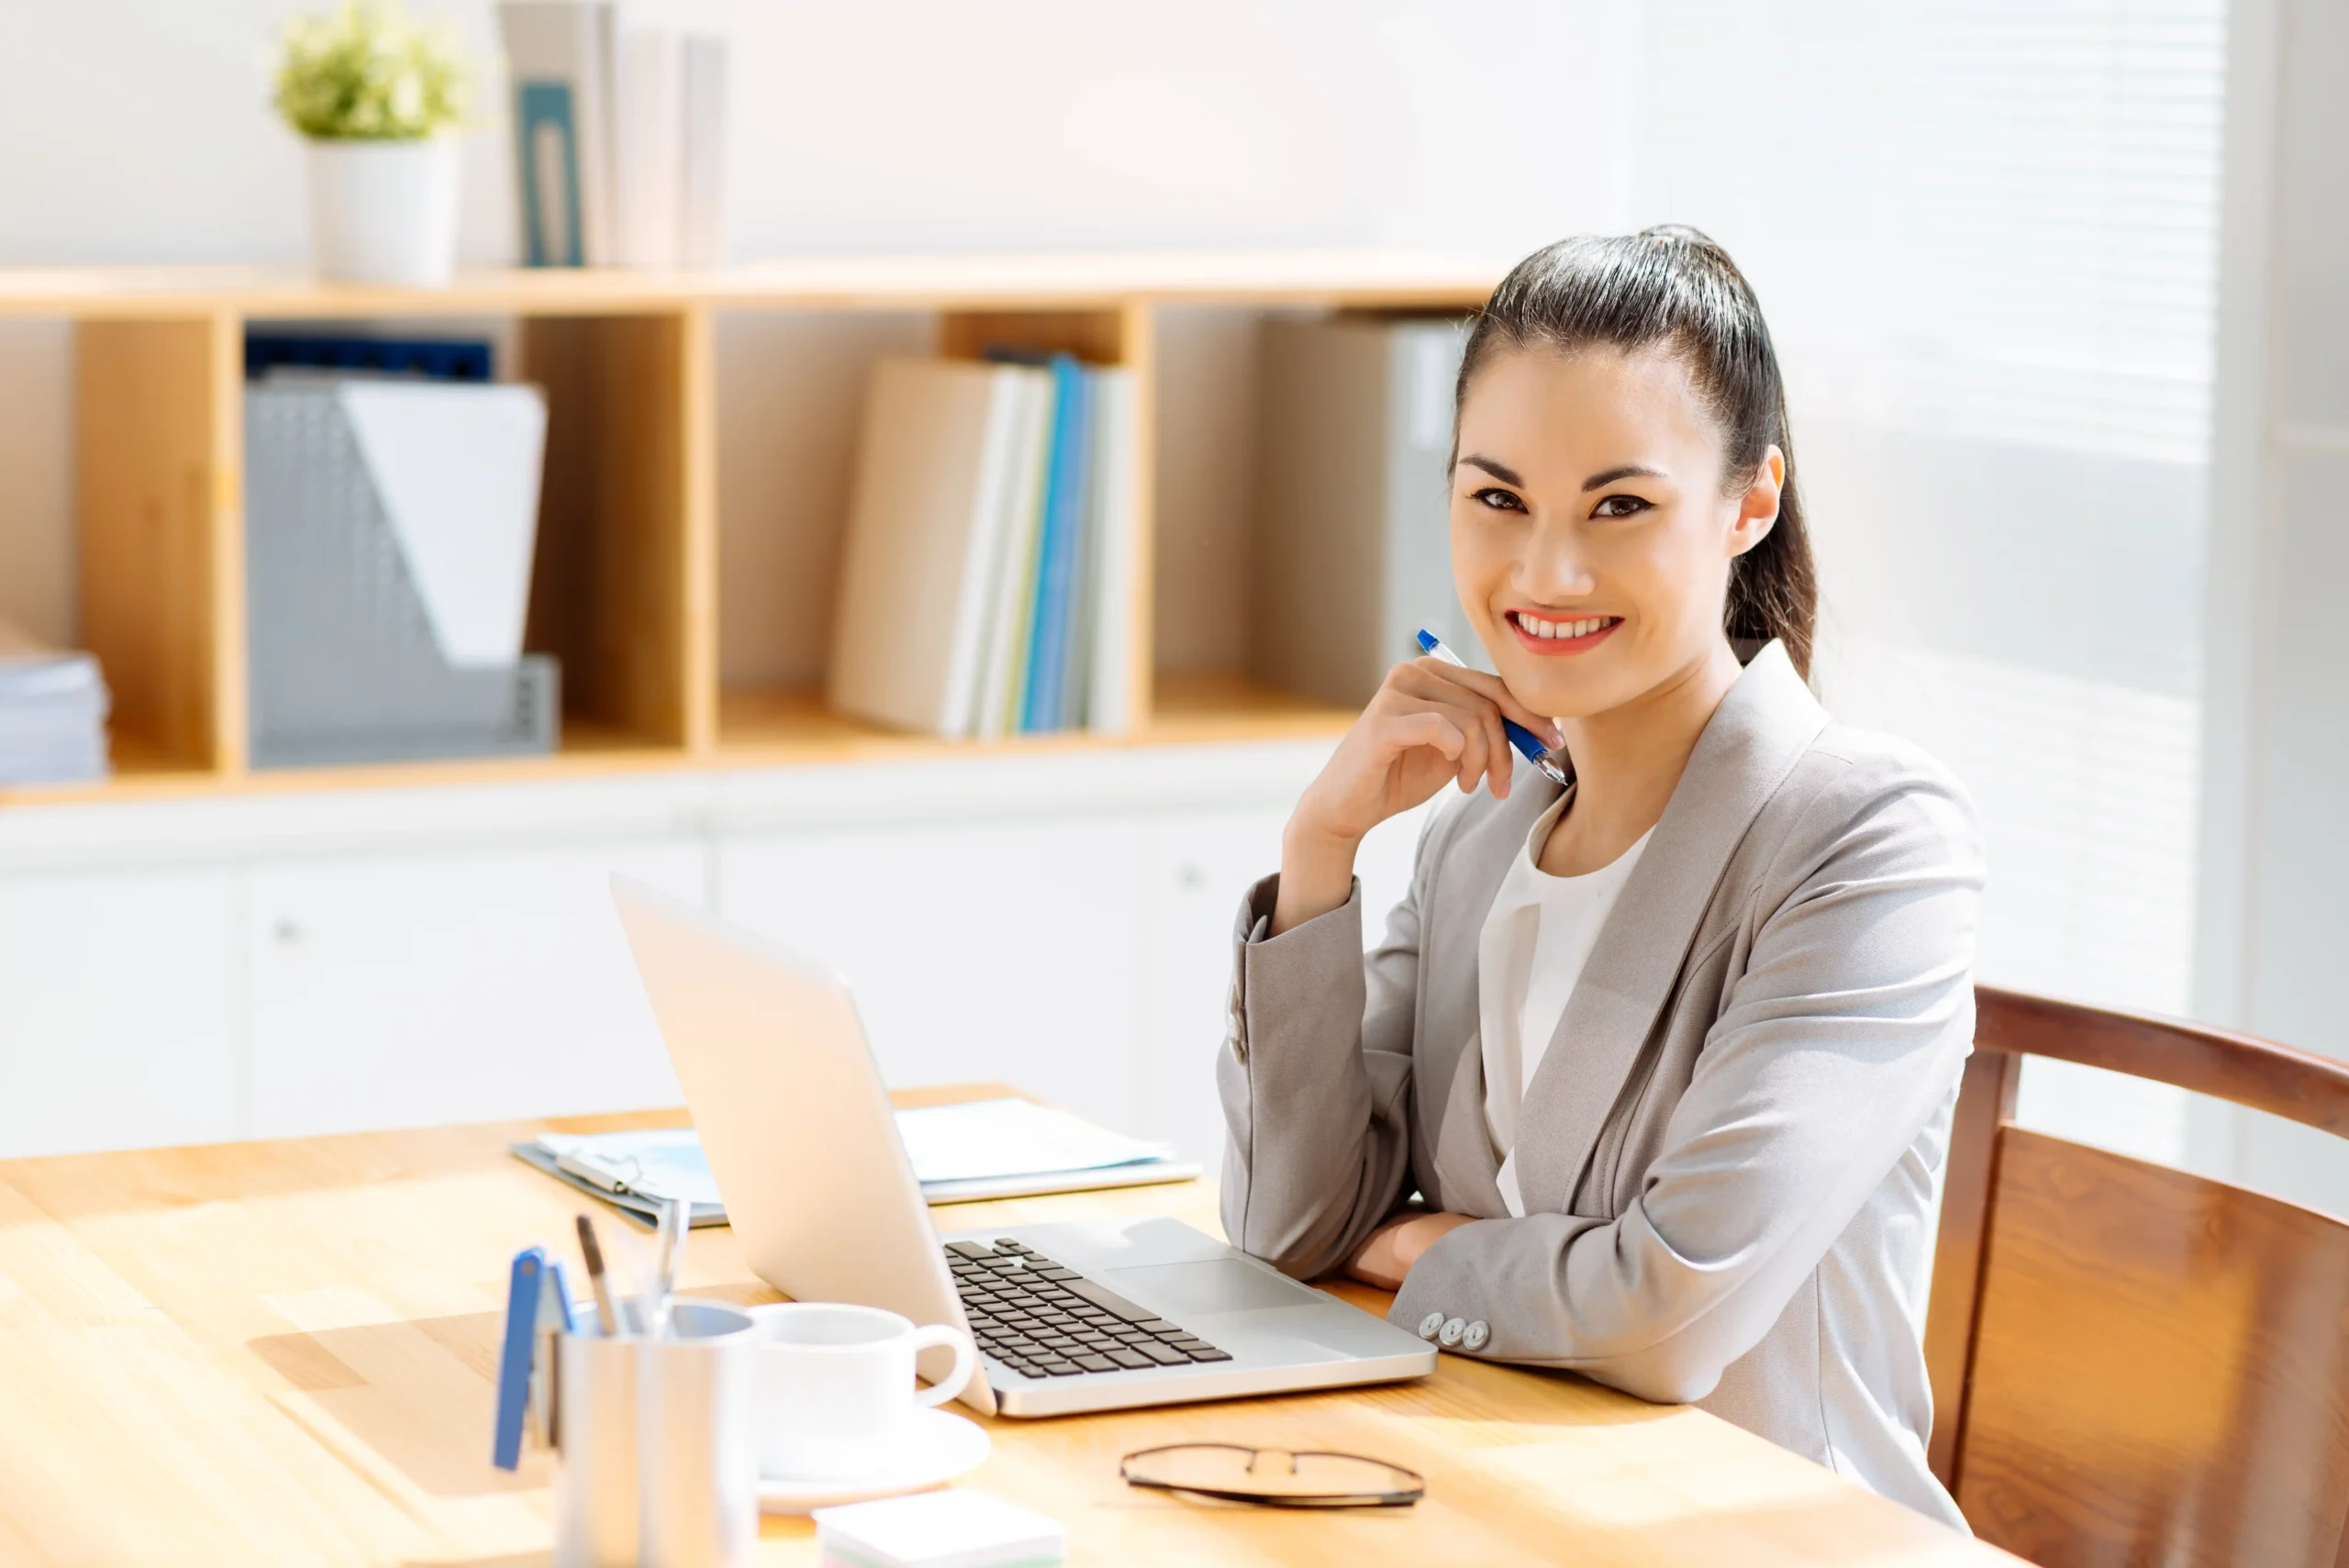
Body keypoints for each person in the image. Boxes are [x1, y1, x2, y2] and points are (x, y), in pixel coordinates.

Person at [1217, 226, 1983, 1528]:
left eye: (1619, 506)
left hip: (1763, 1539)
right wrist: (1319, 854)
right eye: (1497, 497)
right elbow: (1291, 1229)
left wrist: (1413, 1245)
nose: (1545, 574)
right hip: (1501, 1498)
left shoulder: (1867, 841)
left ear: (1750, 503)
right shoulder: (1479, 829)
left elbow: (1665, 1317)